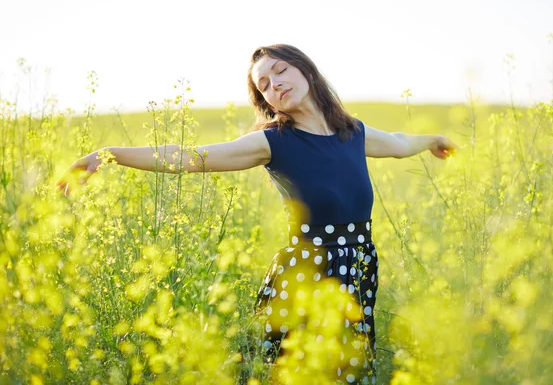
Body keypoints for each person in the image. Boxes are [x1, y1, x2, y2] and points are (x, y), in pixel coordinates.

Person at [56, 44, 457, 384]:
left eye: (281, 71)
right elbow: (191, 158)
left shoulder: (353, 132)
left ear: (307, 72)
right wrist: (108, 154)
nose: (274, 84)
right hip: (307, 276)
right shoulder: (271, 142)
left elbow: (401, 143)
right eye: (263, 85)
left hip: (358, 270)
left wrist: (432, 139)